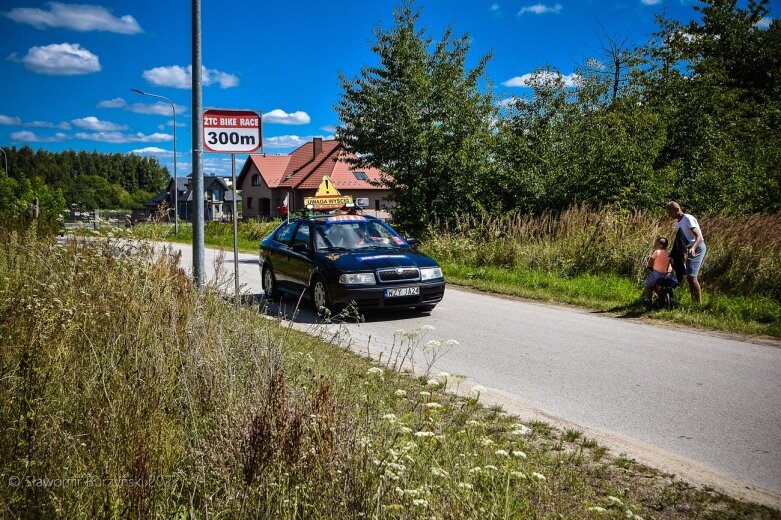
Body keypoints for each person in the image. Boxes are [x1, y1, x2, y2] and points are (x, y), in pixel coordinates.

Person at [666, 201, 707, 304]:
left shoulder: (688, 218)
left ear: (676, 210)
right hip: (689, 249)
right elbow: (682, 239)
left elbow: (698, 236)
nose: (669, 215)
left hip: (698, 248)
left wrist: (693, 248)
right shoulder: (677, 222)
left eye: (669, 212)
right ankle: (694, 302)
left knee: (692, 276)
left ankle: (698, 304)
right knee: (689, 276)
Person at [642, 237, 672, 303]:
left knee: (648, 284)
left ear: (660, 245)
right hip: (668, 274)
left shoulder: (657, 252)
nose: (654, 246)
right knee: (662, 286)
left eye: (656, 244)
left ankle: (648, 300)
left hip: (657, 274)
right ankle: (662, 299)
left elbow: (651, 261)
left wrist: (649, 267)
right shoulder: (669, 252)